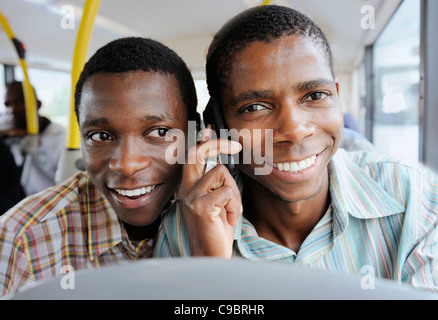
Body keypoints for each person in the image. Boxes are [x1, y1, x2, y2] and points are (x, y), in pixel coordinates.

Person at [154, 5, 438, 292]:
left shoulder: (417, 198)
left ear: (337, 98)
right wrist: (211, 270)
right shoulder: (186, 226)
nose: (295, 131)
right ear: (217, 125)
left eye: (315, 95)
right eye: (254, 107)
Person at [0, 37, 198, 297]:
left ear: (196, 133)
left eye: (159, 132)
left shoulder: (236, 221)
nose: (127, 165)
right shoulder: (21, 240)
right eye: (100, 136)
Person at [1, 81, 66, 197]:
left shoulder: (59, 139)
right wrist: (11, 132)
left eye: (21, 102)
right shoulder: (9, 128)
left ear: (38, 104)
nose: (13, 110)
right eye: (7, 105)